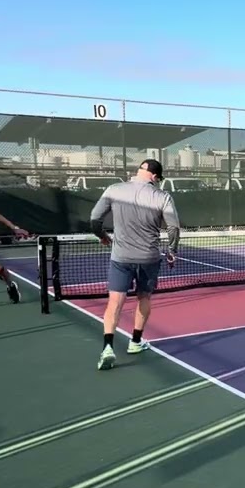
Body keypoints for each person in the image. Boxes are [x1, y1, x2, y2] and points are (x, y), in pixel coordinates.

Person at [89, 159, 181, 371]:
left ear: (139, 171)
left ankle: (107, 348)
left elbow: (94, 219)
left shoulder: (114, 189)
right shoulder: (162, 196)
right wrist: (172, 252)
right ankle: (136, 341)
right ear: (155, 177)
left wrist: (102, 236)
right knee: (144, 297)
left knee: (115, 303)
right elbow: (173, 229)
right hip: (148, 258)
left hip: (120, 257)